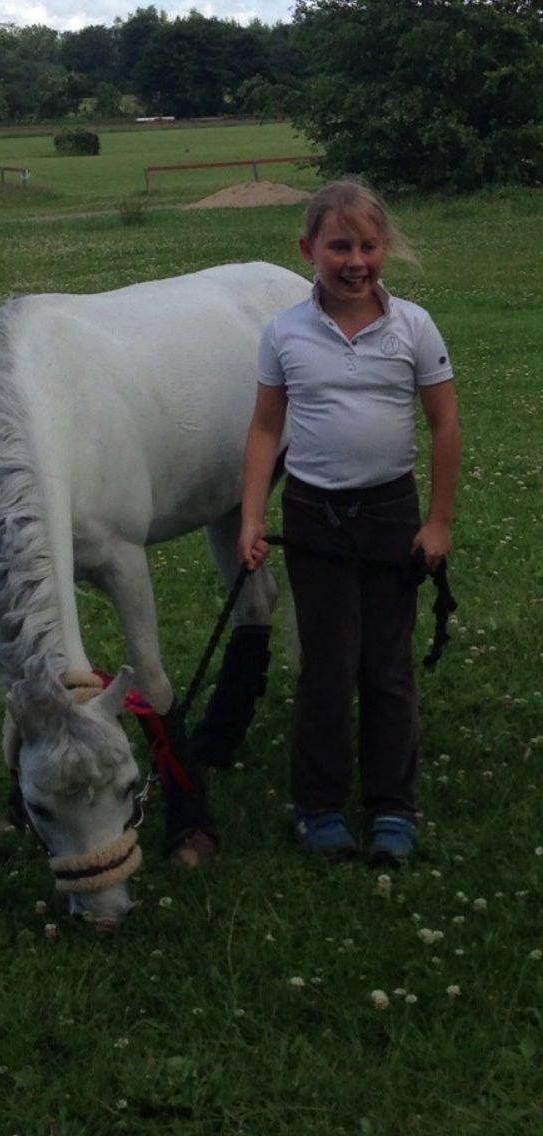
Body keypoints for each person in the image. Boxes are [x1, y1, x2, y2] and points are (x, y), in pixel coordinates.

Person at [238, 178, 461, 868]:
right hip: (314, 518)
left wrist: (438, 523)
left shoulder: (415, 327)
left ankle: (393, 808)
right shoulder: (284, 331)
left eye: (368, 245)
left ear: (384, 247)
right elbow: (266, 427)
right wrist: (252, 517)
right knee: (327, 671)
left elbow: (444, 424)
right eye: (339, 246)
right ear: (309, 249)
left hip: (392, 516)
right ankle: (320, 809)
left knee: (387, 669)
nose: (355, 261)